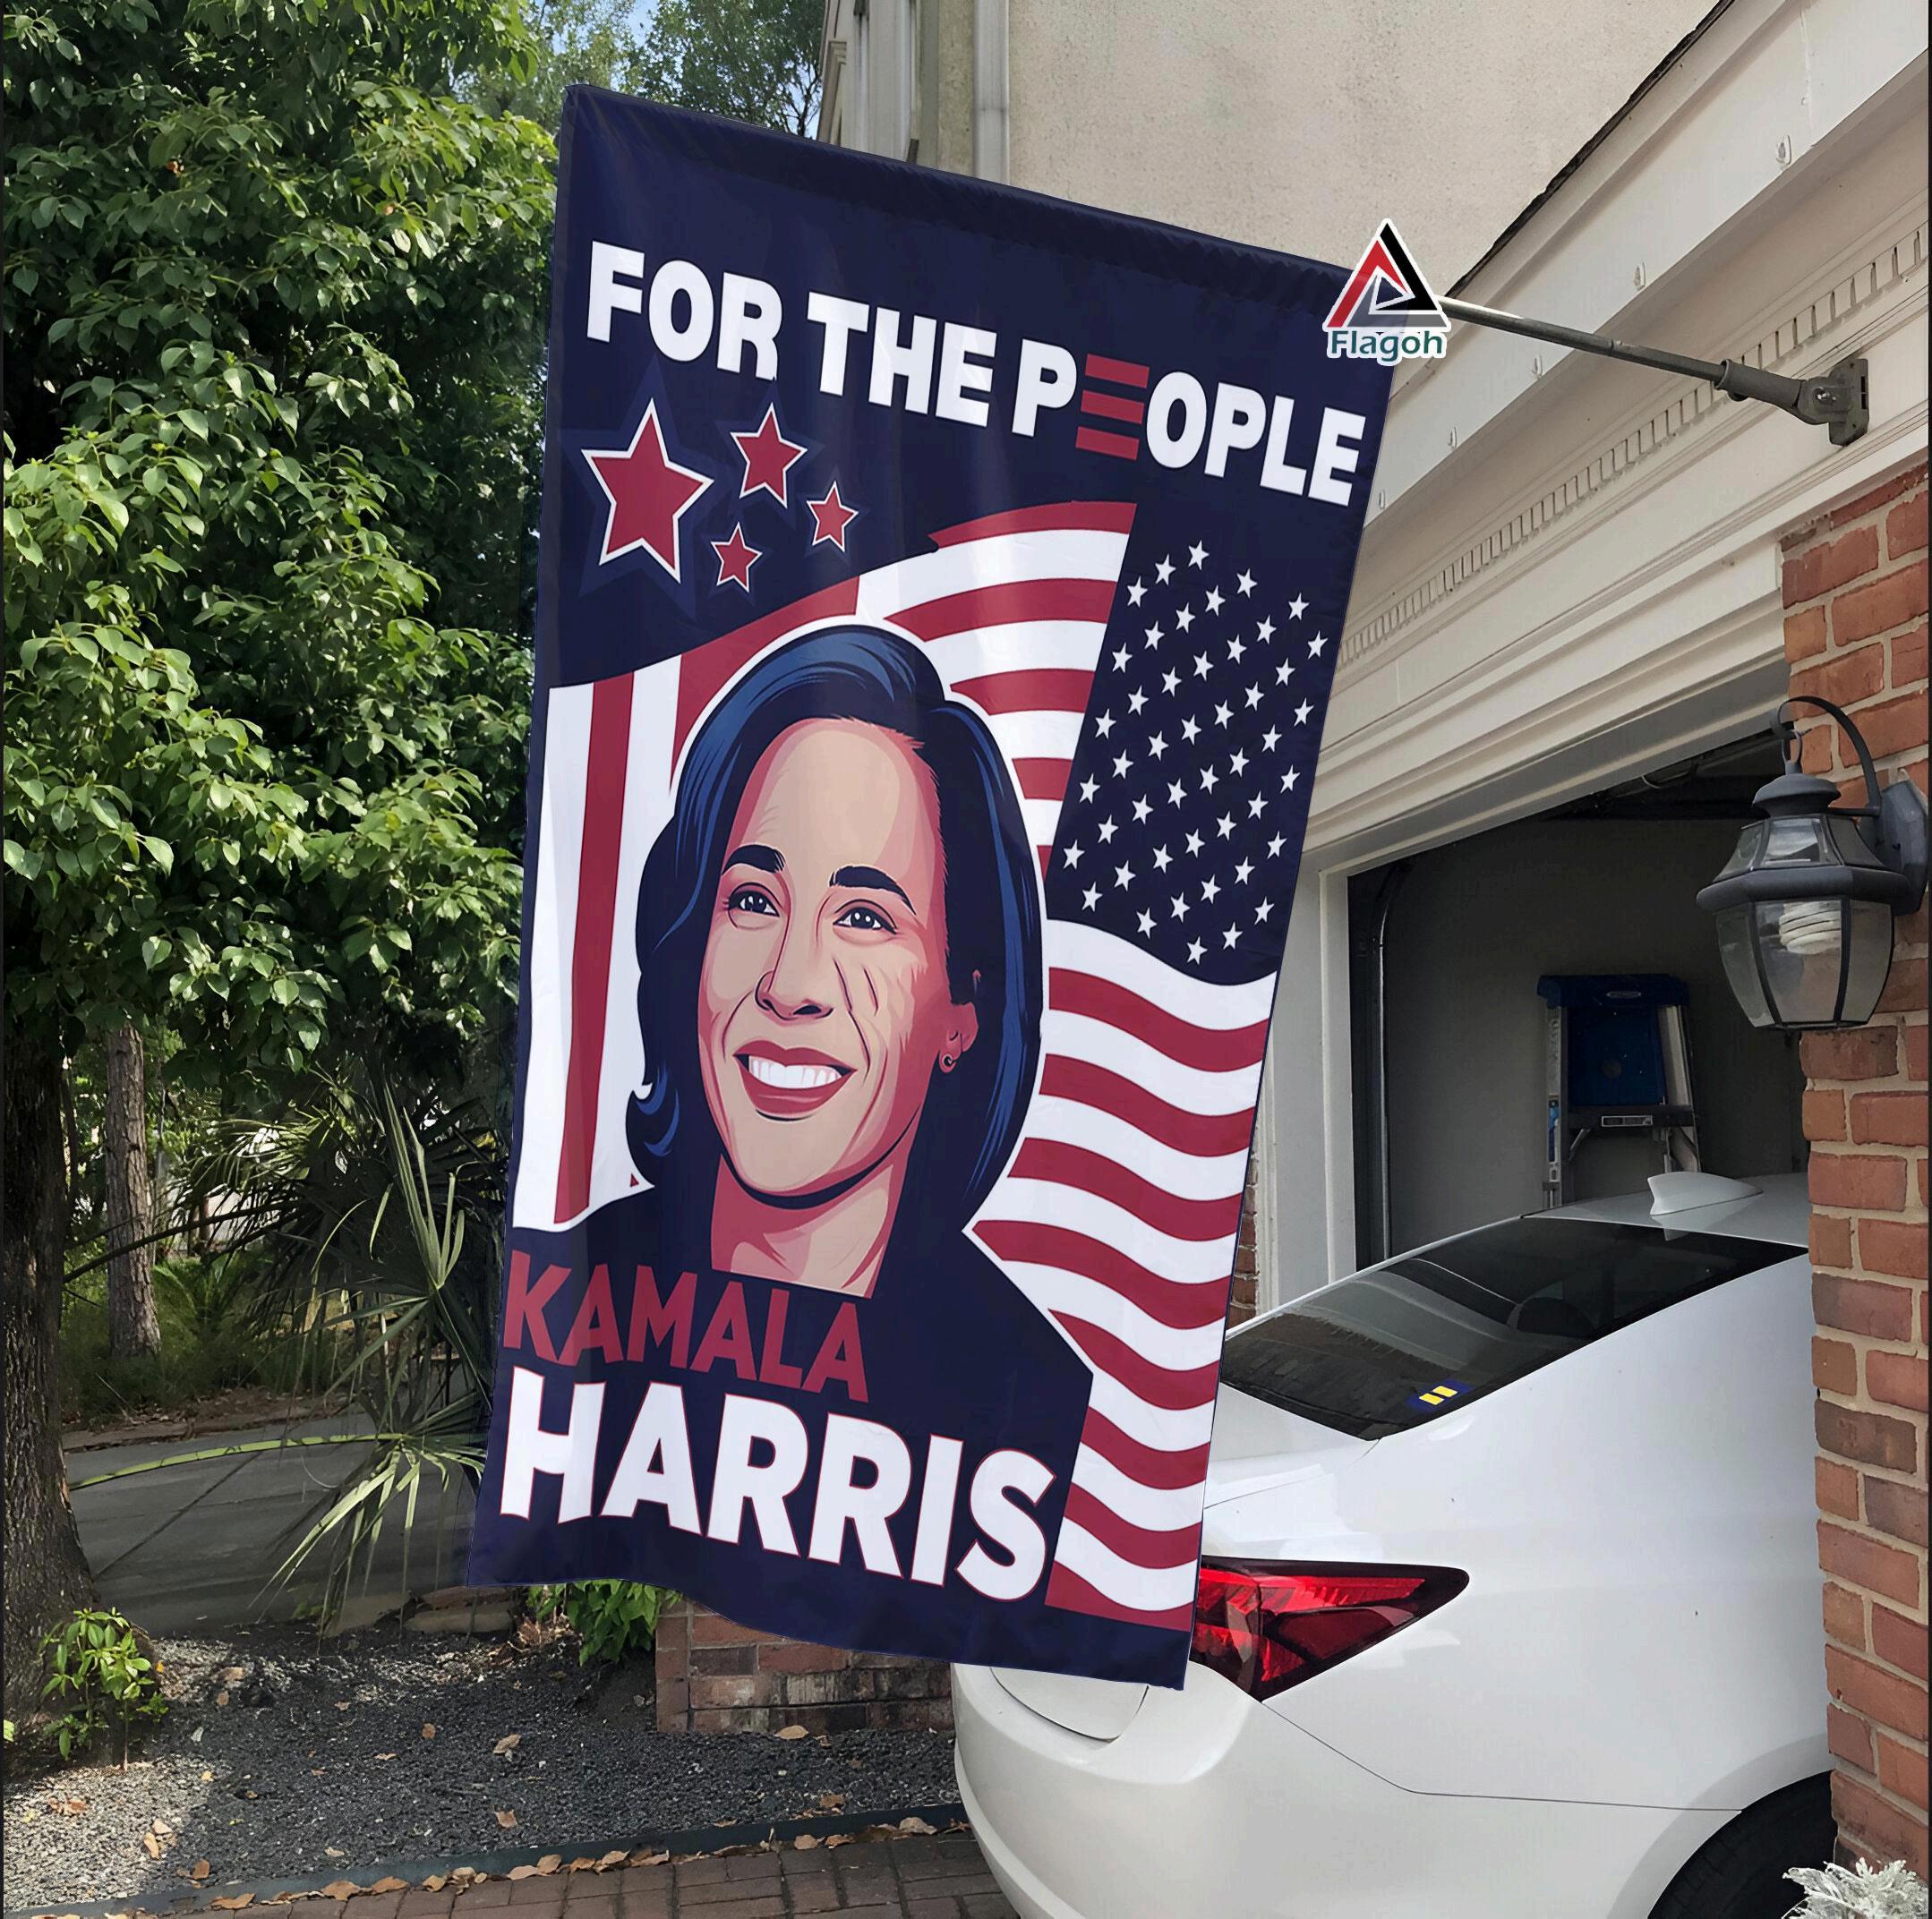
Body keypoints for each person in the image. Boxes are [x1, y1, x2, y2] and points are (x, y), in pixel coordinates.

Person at [628, 624, 1043, 1297]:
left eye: (863, 918)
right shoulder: (575, 1291)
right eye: (754, 901)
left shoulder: (1019, 1359)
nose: (790, 986)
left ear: (961, 1014)